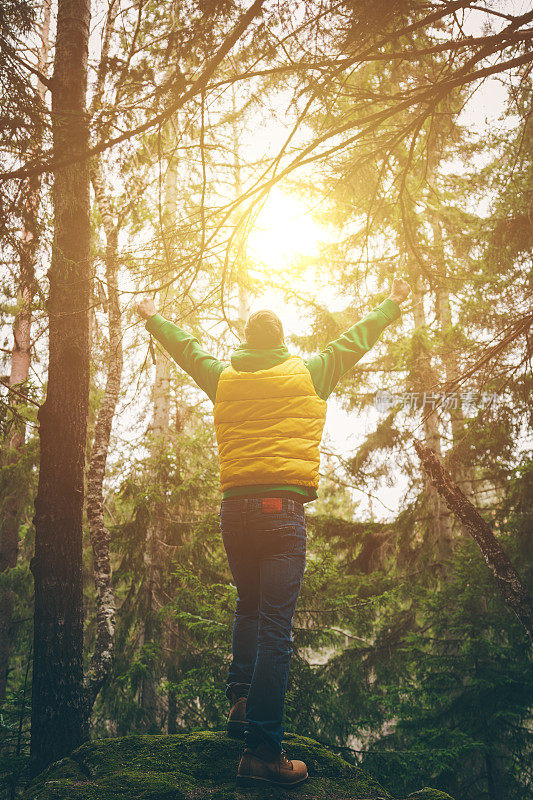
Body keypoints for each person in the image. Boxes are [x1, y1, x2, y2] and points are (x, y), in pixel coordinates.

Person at [136, 276, 411, 788]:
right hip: (281, 513)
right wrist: (391, 303)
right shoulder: (307, 372)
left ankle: (241, 702)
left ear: (246, 340)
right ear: (281, 340)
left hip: (234, 512)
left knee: (247, 603)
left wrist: (153, 316)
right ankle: (263, 750)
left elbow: (187, 348)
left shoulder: (224, 378)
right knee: (276, 631)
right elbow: (355, 339)